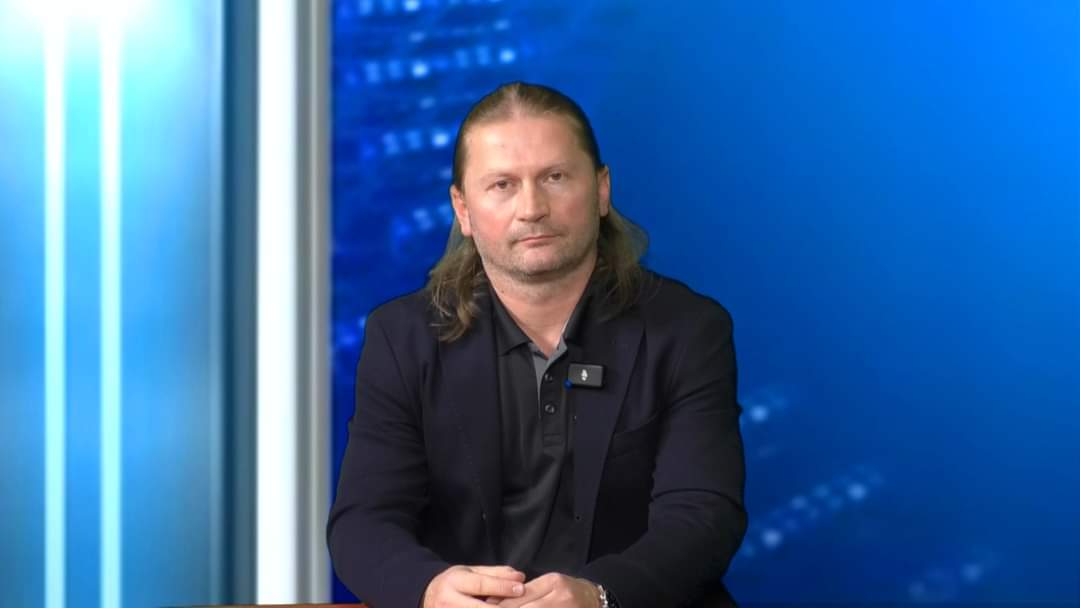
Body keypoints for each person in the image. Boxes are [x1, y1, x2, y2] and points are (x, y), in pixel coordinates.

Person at [328, 82, 747, 608]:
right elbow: (364, 520)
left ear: (601, 190)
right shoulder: (401, 338)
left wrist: (599, 596)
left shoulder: (688, 330)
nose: (532, 208)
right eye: (502, 184)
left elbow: (703, 514)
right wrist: (430, 590)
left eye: (555, 177)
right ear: (463, 208)